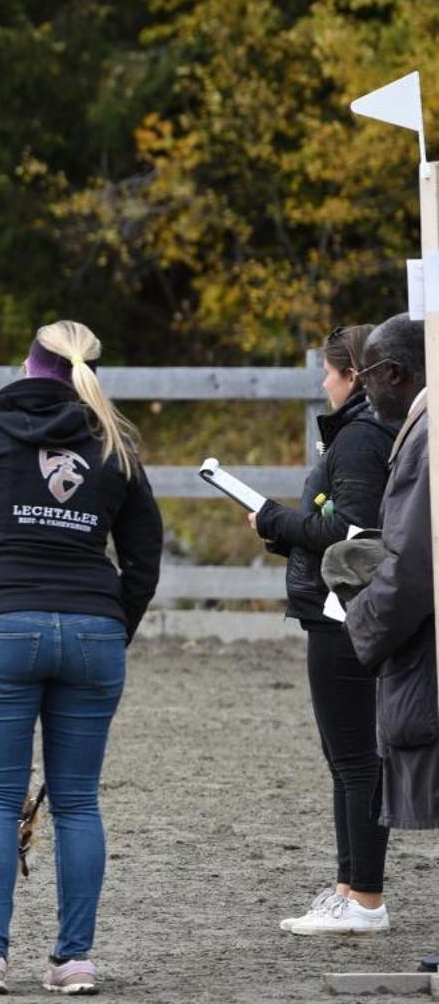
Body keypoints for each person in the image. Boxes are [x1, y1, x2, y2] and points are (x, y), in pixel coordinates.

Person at [0, 320, 163, 996]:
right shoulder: (114, 439)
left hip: (1, 624)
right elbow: (145, 553)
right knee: (79, 802)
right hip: (92, 627)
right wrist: (113, 622)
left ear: (29, 364)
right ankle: (74, 959)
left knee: (0, 799)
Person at [250, 324, 393, 934]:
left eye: (328, 373)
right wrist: (285, 534)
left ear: (352, 376)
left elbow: (352, 532)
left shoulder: (359, 438)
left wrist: (278, 521)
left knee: (356, 759)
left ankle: (366, 897)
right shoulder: (359, 434)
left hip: (344, 613)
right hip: (335, 606)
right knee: (346, 759)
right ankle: (348, 887)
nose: (322, 383)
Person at [341, 316, 435, 927]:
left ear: (393, 374)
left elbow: (414, 564)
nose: (362, 390)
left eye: (366, 377)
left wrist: (361, 622)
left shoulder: (425, 434)